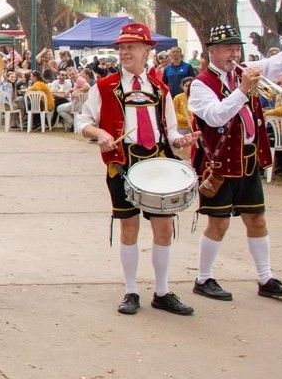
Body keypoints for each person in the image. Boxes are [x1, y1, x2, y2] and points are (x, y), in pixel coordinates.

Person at [186, 16, 282, 303]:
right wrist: (242, 90)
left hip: (249, 158)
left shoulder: (245, 71)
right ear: (212, 51)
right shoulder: (201, 84)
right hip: (220, 163)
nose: (234, 54)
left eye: (236, 48)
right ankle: (203, 278)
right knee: (218, 223)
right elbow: (215, 116)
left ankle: (265, 278)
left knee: (257, 220)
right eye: (228, 49)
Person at [76, 23, 199, 316]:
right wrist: (99, 133)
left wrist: (180, 139)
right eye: (122, 47)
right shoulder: (104, 87)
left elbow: (169, 129)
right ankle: (131, 290)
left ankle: (162, 291)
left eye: (131, 46)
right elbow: (82, 121)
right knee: (129, 226)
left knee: (163, 227)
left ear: (147, 50)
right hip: (123, 162)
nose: (125, 52)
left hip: (157, 162)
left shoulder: (160, 88)